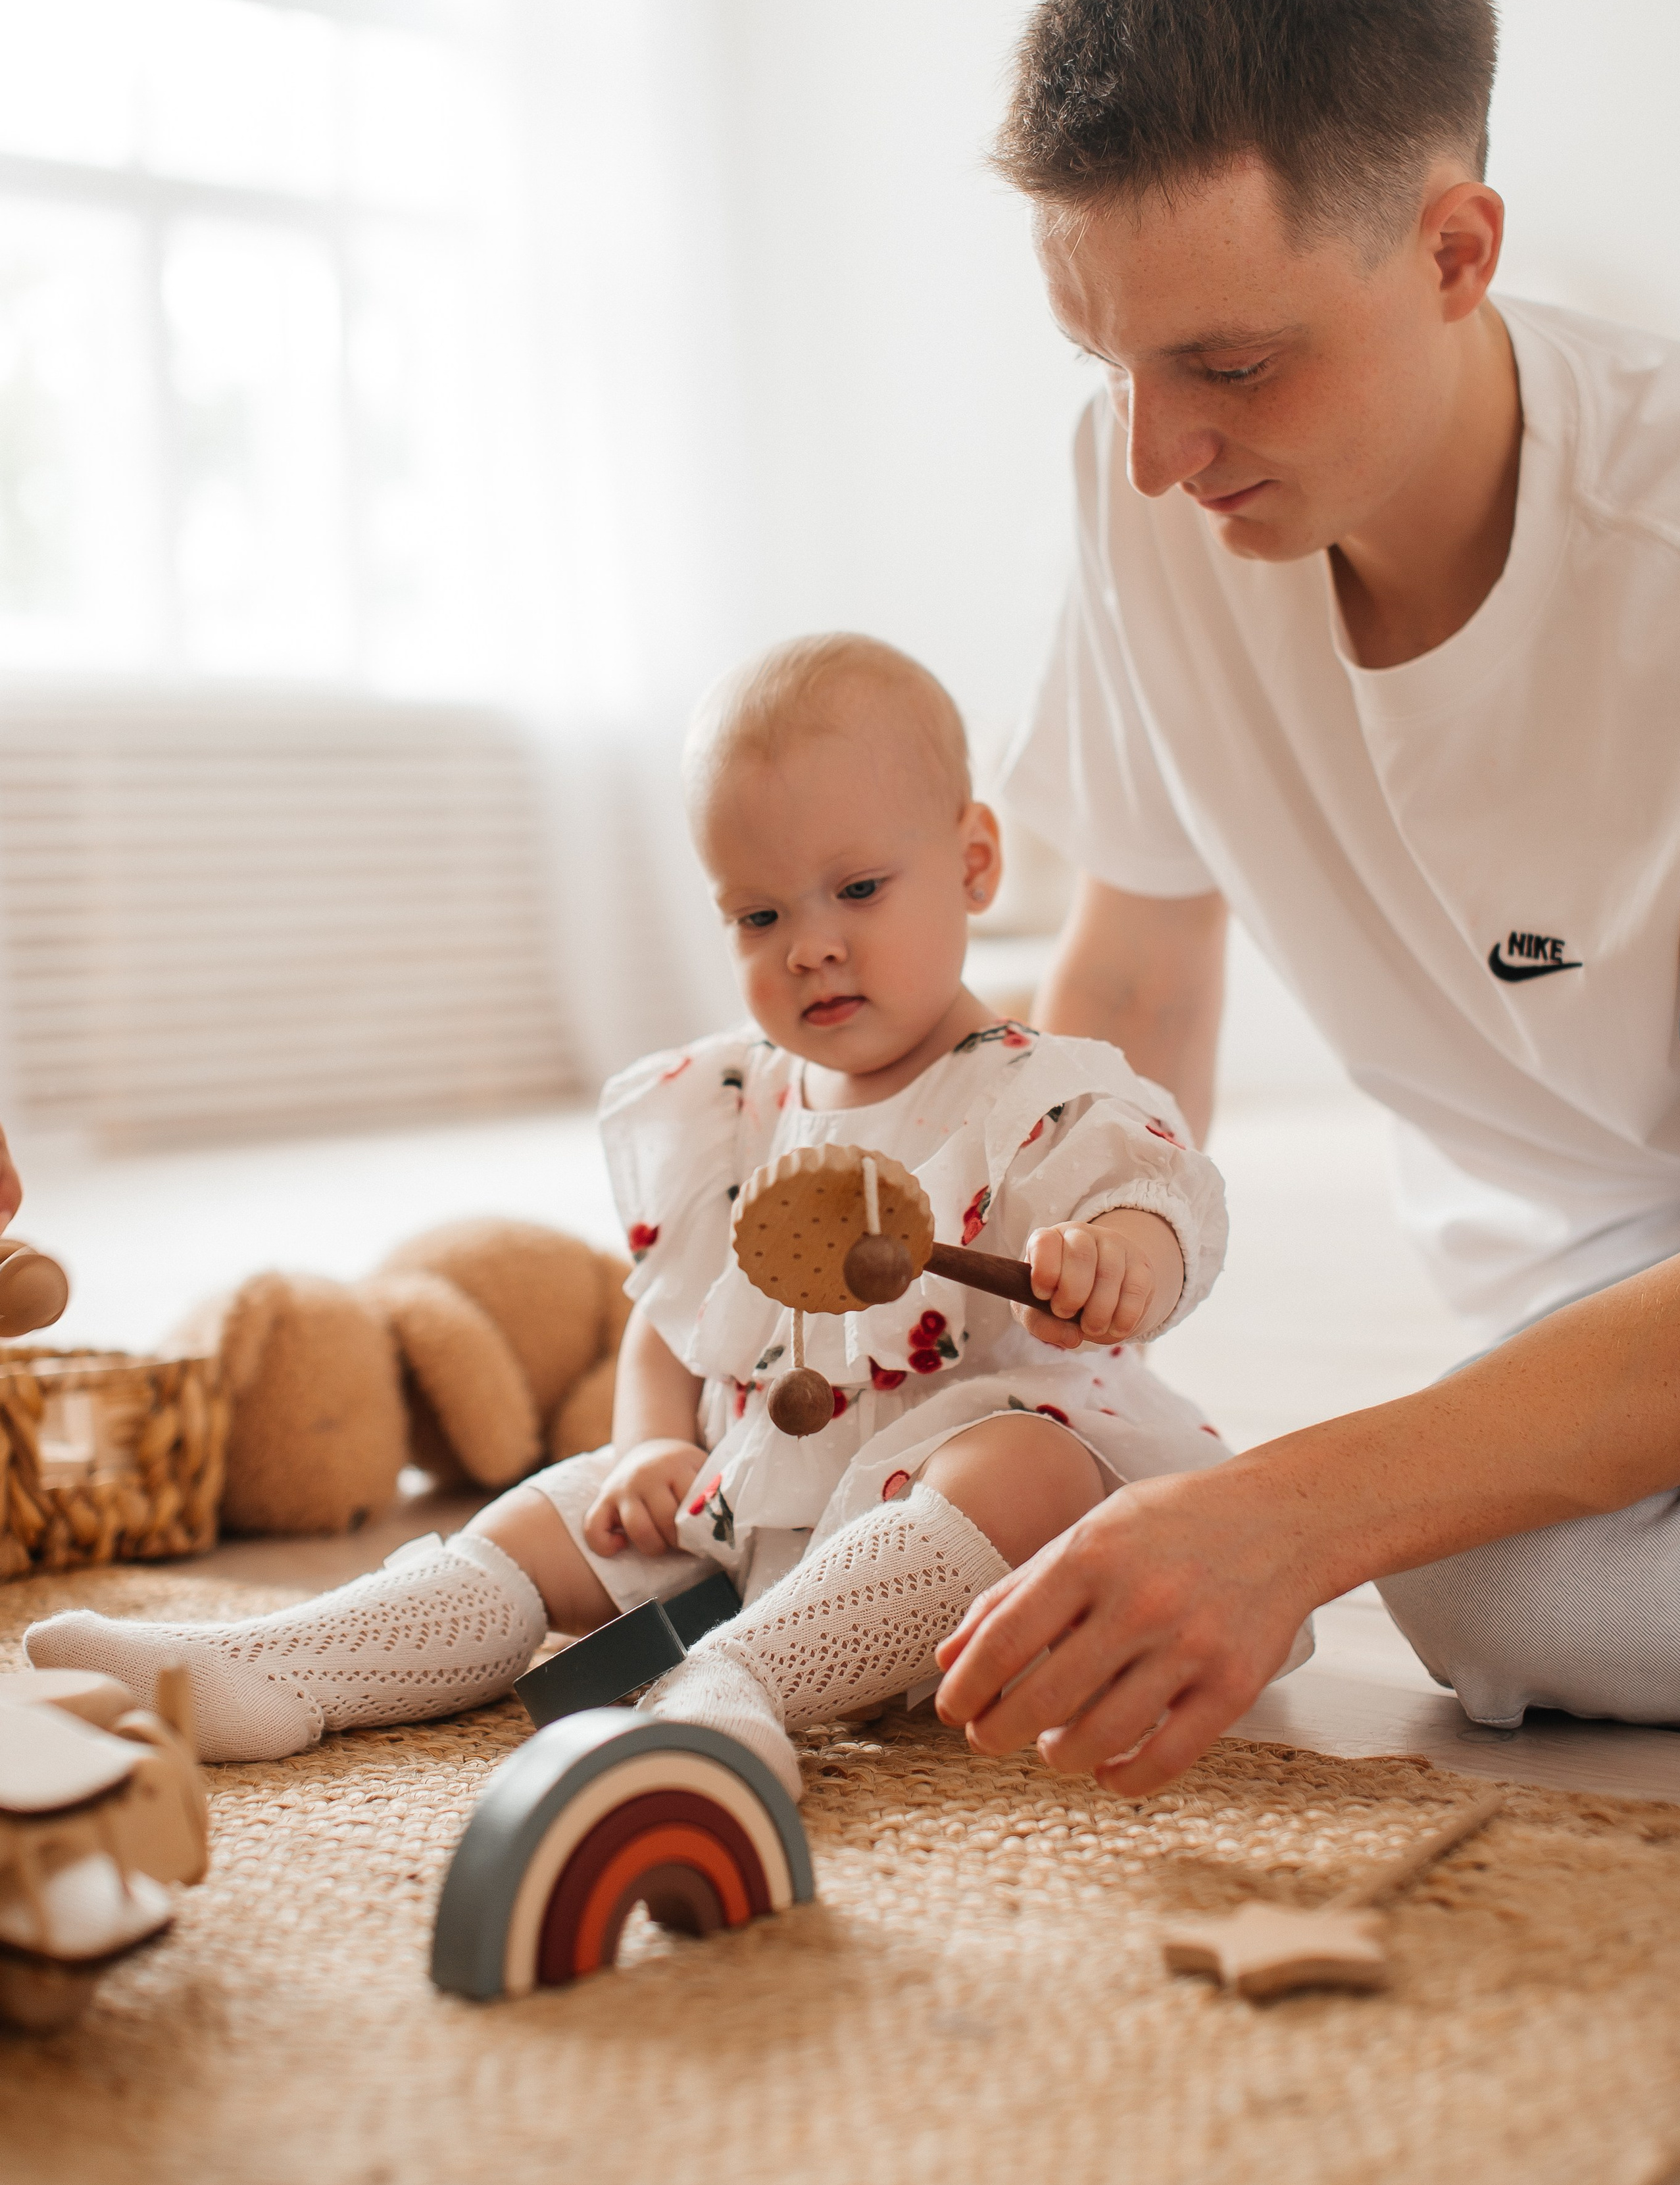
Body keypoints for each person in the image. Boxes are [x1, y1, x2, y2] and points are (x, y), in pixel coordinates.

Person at [933, 0, 1680, 1792]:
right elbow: (1143, 958)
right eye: (1111, 364)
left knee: (1475, 1586)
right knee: (1499, 1588)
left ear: (1454, 252)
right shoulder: (1140, 481)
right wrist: (1020, 1358)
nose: (1164, 454)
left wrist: (1294, 1515)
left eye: (1232, 366)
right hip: (1576, 1296)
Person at [29, 634, 1278, 1787]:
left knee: (1026, 1464)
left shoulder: (1031, 1094)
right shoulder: (732, 1105)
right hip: (746, 1497)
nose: (810, 947)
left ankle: (736, 1685)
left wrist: (1121, 1260)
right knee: (549, 1510)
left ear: (974, 864)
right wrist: (645, 1448)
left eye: (857, 890)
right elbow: (669, 1320)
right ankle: (290, 1665)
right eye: (761, 914)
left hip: (943, 1508)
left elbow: (1157, 1199)